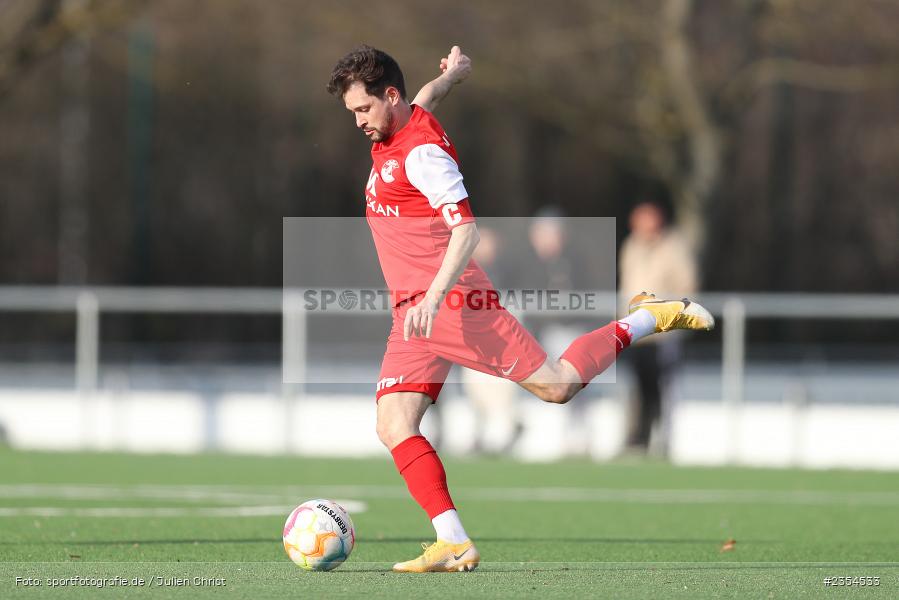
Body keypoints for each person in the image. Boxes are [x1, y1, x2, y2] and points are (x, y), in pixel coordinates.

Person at [326, 45, 714, 573]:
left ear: (388, 96)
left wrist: (435, 298)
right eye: (352, 112)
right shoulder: (402, 121)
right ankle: (453, 541)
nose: (357, 122)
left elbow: (467, 231)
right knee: (394, 422)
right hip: (414, 313)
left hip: (453, 302)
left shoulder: (421, 154)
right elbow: (425, 98)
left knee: (556, 386)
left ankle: (646, 316)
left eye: (362, 110)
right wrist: (453, 77)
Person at [619, 202, 699, 453]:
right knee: (635, 388)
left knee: (665, 388)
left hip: (664, 332)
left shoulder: (674, 248)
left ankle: (665, 441)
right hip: (635, 332)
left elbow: (687, 286)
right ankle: (635, 440)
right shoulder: (631, 246)